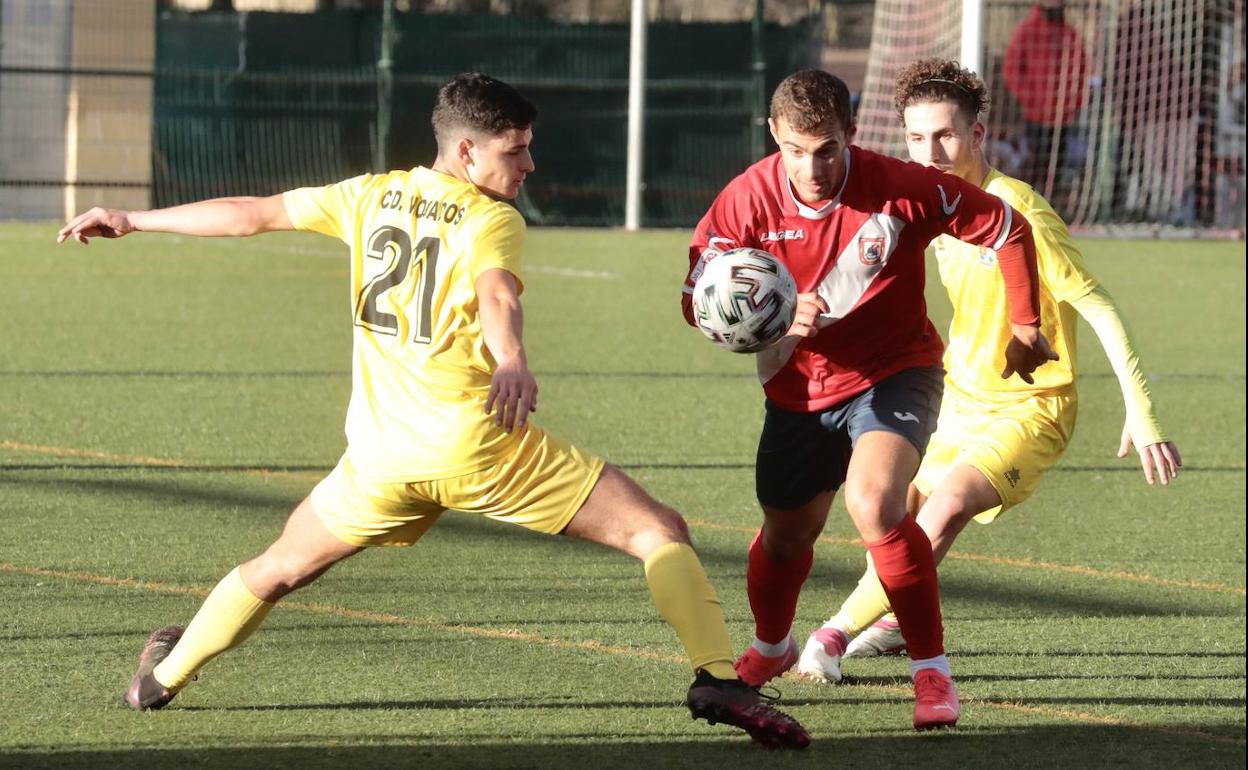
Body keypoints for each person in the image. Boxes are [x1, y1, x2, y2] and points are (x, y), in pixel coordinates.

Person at [58, 72, 810, 750]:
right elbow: (497, 293)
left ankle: (161, 678)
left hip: (381, 459)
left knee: (279, 569)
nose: (528, 166)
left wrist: (134, 218)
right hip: (477, 447)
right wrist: (510, 357)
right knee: (659, 531)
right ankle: (718, 675)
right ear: (466, 150)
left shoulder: (368, 194)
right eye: (515, 152)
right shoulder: (492, 219)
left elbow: (251, 213)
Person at [681, 69, 1059, 731]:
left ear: (850, 134)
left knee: (875, 504)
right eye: (796, 150)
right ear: (774, 136)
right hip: (799, 387)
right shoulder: (744, 201)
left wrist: (1026, 325)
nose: (812, 165)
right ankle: (772, 647)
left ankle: (932, 675)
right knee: (785, 535)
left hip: (897, 372)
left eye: (826, 148)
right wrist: (769, 321)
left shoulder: (902, 187)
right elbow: (696, 299)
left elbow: (1007, 228)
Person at [796, 59, 1182, 678]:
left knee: (944, 507)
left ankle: (831, 637)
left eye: (946, 135)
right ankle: (894, 622)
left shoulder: (1017, 211)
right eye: (917, 138)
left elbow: (1100, 306)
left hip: (1033, 405)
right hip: (958, 400)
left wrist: (1143, 412)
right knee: (892, 514)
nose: (931, 152)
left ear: (978, 136)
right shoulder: (931, 205)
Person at [1002, 0, 1090, 189]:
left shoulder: (1070, 35)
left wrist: (1075, 101)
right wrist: (1030, 98)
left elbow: (1082, 70)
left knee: (1057, 162)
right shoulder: (1027, 31)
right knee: (1036, 161)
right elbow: (1011, 70)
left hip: (1062, 115)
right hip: (1036, 115)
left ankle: (1053, 203)